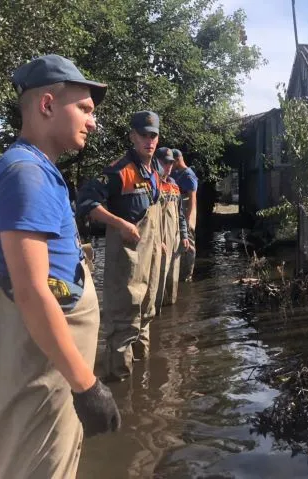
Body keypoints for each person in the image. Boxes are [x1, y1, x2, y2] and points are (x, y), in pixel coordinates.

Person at [0, 54, 121, 479]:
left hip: (44, 354)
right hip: (38, 358)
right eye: (85, 109)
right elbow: (32, 291)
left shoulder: (34, 169)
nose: (92, 122)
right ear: (46, 105)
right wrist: (87, 386)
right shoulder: (27, 176)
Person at [76, 111, 163, 381]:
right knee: (124, 323)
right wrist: (121, 224)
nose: (148, 140)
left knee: (146, 315)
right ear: (132, 137)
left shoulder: (155, 171)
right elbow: (86, 203)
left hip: (150, 258)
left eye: (153, 135)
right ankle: (119, 386)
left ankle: (141, 380)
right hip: (126, 261)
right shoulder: (119, 170)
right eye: (143, 135)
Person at [154, 147, 189, 312]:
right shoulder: (152, 183)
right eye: (164, 162)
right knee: (158, 278)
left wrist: (184, 235)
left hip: (175, 239)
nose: (168, 166)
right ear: (157, 162)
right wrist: (157, 240)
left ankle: (170, 312)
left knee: (172, 278)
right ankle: (156, 313)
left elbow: (180, 213)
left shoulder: (174, 185)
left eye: (170, 163)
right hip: (159, 240)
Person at [170, 149, 198, 282]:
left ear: (177, 160)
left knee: (189, 245)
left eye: (171, 161)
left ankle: (188, 275)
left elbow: (192, 199)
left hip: (186, 215)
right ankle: (178, 273)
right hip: (177, 215)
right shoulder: (175, 173)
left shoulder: (188, 175)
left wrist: (189, 221)